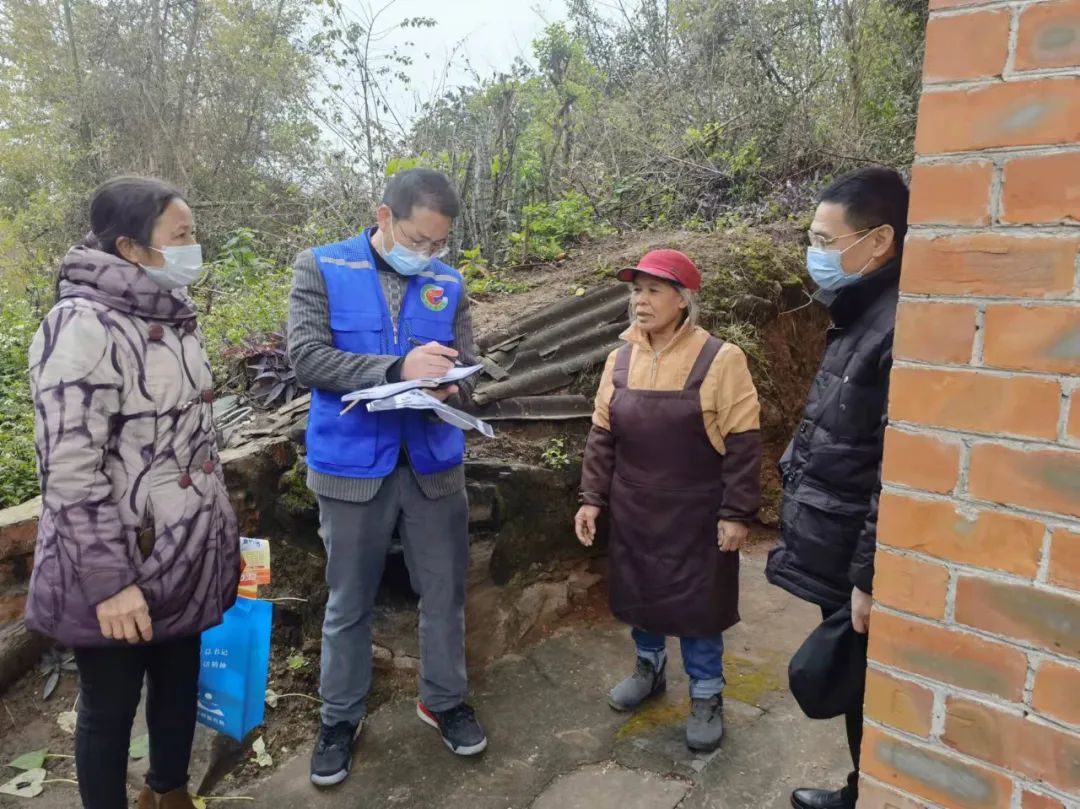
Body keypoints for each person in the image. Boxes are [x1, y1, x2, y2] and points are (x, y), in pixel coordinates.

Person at [25, 176, 241, 809]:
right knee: (110, 707)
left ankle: (168, 792)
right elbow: (69, 471)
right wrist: (110, 583)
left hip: (184, 547)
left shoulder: (171, 316)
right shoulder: (82, 326)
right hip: (118, 561)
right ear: (130, 246)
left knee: (178, 682)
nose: (193, 246)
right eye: (181, 235)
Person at [288, 168, 485, 787]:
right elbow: (308, 357)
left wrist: (456, 384)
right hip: (351, 468)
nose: (428, 255)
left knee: (445, 594)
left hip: (432, 464)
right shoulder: (322, 267)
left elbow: (467, 364)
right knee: (349, 602)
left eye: (438, 244)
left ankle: (444, 700)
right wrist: (397, 365)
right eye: (418, 240)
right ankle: (340, 718)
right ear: (384, 217)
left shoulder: (447, 282)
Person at [574, 249, 762, 753]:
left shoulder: (722, 358)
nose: (641, 300)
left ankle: (706, 694)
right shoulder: (619, 359)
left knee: (699, 609)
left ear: (683, 300)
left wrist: (737, 513)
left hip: (697, 513)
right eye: (637, 290)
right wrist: (592, 498)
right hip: (635, 509)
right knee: (642, 597)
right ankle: (648, 669)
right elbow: (601, 435)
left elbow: (743, 442)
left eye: (654, 290)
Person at [765, 166, 910, 809]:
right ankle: (862, 790)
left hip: (858, 554)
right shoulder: (865, 312)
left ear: (877, 242)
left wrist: (868, 575)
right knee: (860, 683)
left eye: (825, 240)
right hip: (840, 542)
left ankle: (869, 794)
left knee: (865, 684)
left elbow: (897, 469)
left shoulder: (897, 325)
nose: (815, 253)